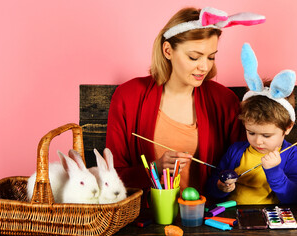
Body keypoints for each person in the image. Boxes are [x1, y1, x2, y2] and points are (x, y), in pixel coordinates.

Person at [105, 7, 266, 197]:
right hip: (147, 219)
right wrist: (153, 169)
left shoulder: (225, 101)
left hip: (210, 217)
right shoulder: (128, 97)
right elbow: (112, 176)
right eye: (193, 57)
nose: (205, 66)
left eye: (211, 56)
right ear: (167, 51)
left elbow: (249, 163)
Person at [206, 43, 297, 204]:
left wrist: (274, 171)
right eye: (251, 132)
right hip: (231, 218)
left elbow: (292, 198)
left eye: (266, 135)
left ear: (288, 127)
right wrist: (220, 186)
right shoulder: (235, 151)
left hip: (271, 221)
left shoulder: (293, 155)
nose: (258, 141)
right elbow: (211, 186)